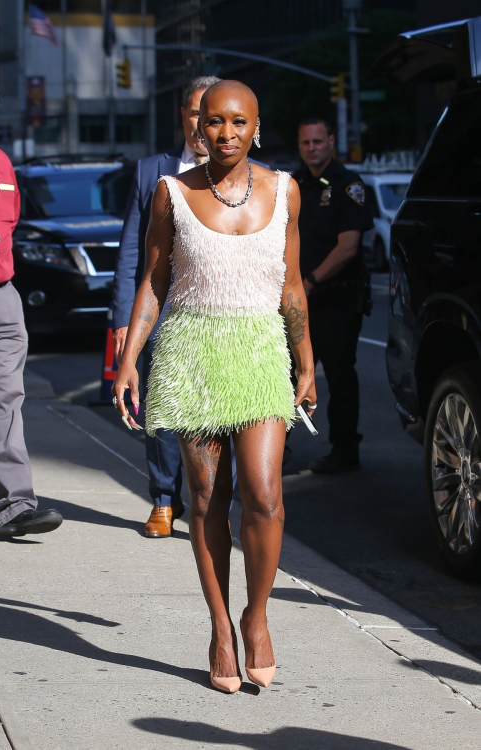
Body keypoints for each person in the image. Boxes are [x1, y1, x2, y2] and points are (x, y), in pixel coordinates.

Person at [112, 80, 316, 693]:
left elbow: (292, 286)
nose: (224, 133)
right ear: (196, 125)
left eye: (238, 122)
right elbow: (153, 278)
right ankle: (220, 627)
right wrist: (129, 359)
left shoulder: (286, 191)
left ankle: (256, 617)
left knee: (264, 493)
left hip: (258, 353)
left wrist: (305, 361)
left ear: (257, 125)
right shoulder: (172, 193)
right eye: (213, 122)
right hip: (192, 356)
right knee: (204, 499)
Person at [112, 76, 221, 539]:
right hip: (159, 313)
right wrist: (122, 323)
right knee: (160, 412)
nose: (202, 124)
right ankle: (162, 498)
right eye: (196, 113)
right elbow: (130, 255)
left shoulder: (242, 173)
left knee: (210, 412)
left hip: (216, 316)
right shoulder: (151, 171)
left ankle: (209, 498)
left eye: (210, 114)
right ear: (183, 115)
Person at [0, 79, 62, 537]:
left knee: (5, 404)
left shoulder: (0, 162)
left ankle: (16, 506)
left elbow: (5, 228)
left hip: (0, 301)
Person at [294, 117, 373, 474]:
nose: (312, 148)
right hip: (299, 303)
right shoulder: (293, 184)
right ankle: (274, 449)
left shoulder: (347, 185)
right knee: (287, 374)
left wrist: (309, 281)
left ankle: (344, 450)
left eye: (317, 141)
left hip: (336, 301)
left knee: (339, 377)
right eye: (305, 143)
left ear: (330, 141)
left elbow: (348, 247)